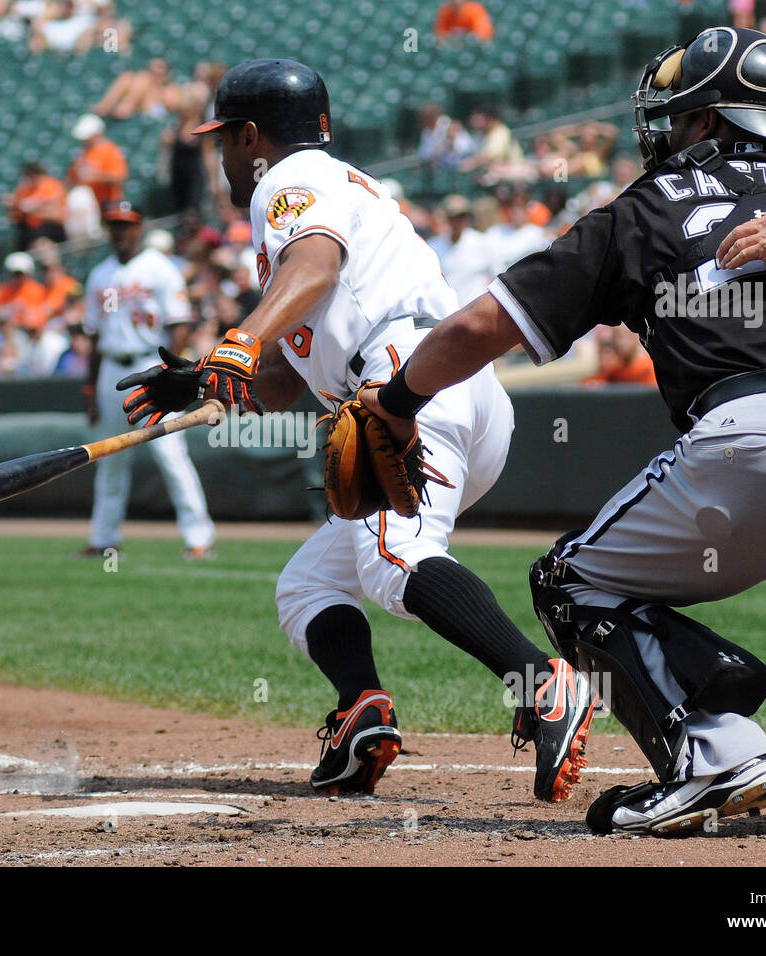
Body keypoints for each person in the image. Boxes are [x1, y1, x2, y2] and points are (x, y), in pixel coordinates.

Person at [358, 26, 766, 835]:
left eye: (679, 115)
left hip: (755, 447)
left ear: (713, 121)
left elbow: (480, 326)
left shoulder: (641, 211)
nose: (665, 130)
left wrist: (398, 400)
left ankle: (714, 750)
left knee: (571, 583)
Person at [118, 59, 595, 799]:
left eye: (224, 141)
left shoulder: (287, 179)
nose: (221, 157)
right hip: (448, 386)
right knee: (309, 585)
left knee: (394, 558)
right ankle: (362, 716)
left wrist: (239, 339)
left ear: (251, 137)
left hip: (407, 382)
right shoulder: (335, 183)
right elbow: (287, 380)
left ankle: (541, 683)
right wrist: (200, 379)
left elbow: (314, 266)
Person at [83, 203, 215, 561]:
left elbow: (179, 325)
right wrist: (90, 389)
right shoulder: (99, 274)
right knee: (109, 457)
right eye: (114, 224)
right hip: (112, 367)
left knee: (170, 455)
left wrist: (172, 374)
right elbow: (93, 338)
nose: (120, 231)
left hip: (150, 366)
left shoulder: (160, 269)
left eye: (126, 225)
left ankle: (198, 538)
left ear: (139, 228)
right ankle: (103, 539)